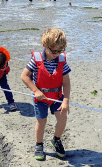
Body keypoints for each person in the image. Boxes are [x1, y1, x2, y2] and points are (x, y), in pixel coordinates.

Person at [21, 28, 71, 160]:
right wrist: (35, 91)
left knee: (62, 118)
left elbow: (66, 83)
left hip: (57, 97)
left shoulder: (61, 61)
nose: (56, 54)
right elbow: (24, 76)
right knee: (41, 121)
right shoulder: (36, 59)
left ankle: (56, 140)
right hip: (41, 98)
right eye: (53, 51)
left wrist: (66, 100)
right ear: (45, 45)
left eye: (59, 51)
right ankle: (39, 145)